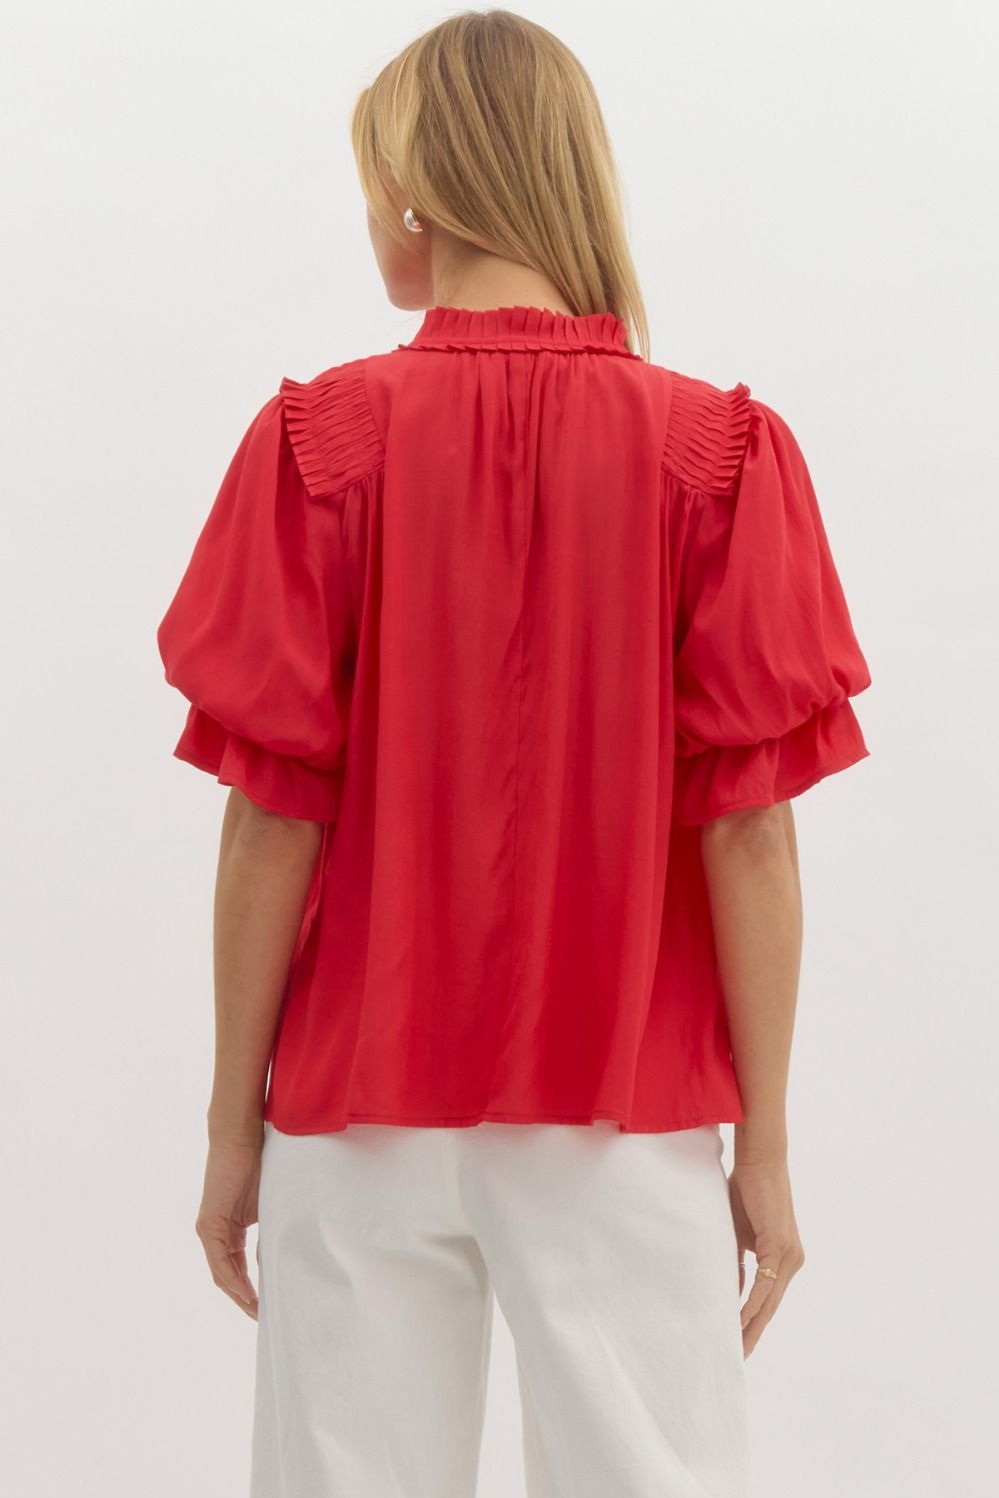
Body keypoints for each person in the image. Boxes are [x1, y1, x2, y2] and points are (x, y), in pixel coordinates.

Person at [155, 10, 872, 1497]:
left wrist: (233, 1129)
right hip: (625, 1116)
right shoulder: (713, 460)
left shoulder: (321, 445)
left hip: (354, 1108)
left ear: (417, 190)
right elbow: (750, 831)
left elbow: (270, 818)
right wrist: (764, 1145)